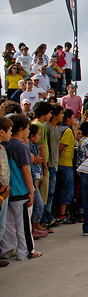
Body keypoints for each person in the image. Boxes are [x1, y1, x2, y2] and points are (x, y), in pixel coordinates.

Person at [0, 114, 42, 260]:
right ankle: (26, 252)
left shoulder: (4, 145)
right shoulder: (21, 147)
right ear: (21, 129)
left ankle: (7, 248)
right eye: (27, 129)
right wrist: (31, 191)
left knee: (8, 223)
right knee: (23, 224)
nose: (28, 132)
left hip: (7, 191)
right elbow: (25, 170)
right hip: (21, 190)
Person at [0, 116, 12, 267]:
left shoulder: (2, 147)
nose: (11, 133)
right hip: (1, 190)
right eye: (9, 131)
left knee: (2, 224)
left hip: (5, 190)